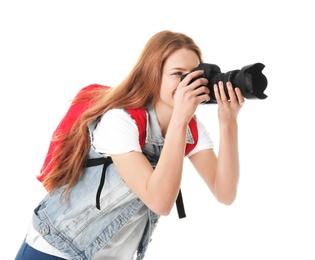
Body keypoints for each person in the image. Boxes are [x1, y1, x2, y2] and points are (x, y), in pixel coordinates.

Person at [15, 30, 245, 260]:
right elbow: (160, 202)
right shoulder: (120, 120)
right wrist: (179, 120)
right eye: (178, 74)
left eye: (195, 74)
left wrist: (228, 122)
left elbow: (225, 193)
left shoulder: (190, 127)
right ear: (153, 75)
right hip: (57, 247)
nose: (189, 83)